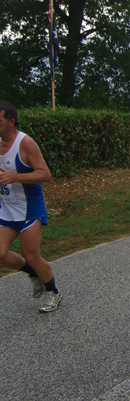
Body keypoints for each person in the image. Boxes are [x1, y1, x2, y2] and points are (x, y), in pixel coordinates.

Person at [0, 102, 61, 312]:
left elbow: (45, 174)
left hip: (29, 207)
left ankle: (52, 292)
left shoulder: (25, 143)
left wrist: (14, 176)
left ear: (11, 122)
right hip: (6, 208)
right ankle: (32, 273)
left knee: (31, 254)